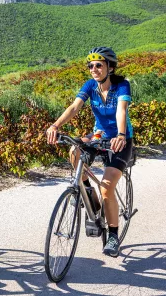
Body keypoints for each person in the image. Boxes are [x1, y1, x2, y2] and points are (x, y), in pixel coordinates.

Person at [46, 47, 133, 258]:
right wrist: (55, 125)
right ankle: (84, 189)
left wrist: (121, 134)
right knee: (74, 151)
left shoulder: (122, 85)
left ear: (110, 67)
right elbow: (75, 107)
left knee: (106, 188)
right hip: (99, 135)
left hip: (121, 140)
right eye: (91, 66)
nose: (94, 69)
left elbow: (121, 110)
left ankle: (113, 236)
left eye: (99, 65)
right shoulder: (90, 86)